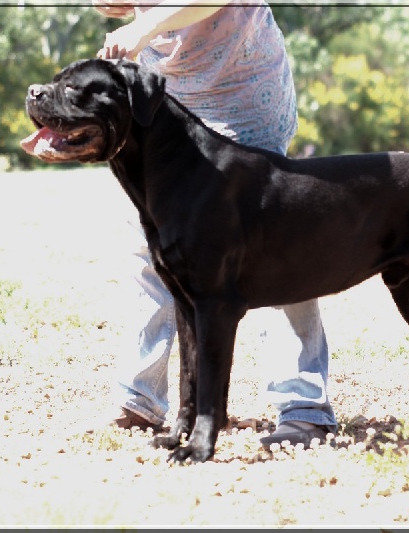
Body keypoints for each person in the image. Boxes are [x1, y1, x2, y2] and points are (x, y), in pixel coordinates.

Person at [94, 0, 338, 450]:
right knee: (148, 247)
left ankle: (303, 405)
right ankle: (141, 396)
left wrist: (146, 23)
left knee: (275, 245)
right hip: (164, 93)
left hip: (240, 88)